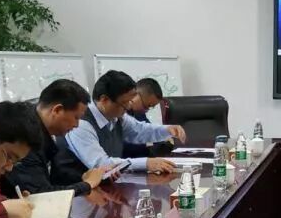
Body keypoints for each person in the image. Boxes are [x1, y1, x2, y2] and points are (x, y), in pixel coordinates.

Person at [55, 70, 186, 181]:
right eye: (125, 102)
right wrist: (146, 163)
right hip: (75, 193)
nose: (129, 107)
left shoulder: (116, 117)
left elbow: (139, 130)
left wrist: (168, 130)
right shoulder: (81, 124)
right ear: (104, 100)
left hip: (106, 186)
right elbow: (101, 164)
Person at [2, 79, 115, 198]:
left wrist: (84, 178)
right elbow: (41, 195)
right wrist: (87, 184)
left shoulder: (39, 127)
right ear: (57, 110)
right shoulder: (26, 135)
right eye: (76, 118)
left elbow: (49, 179)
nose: (76, 125)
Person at [123, 77, 168, 158]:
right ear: (135, 95)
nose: (146, 110)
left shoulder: (139, 114)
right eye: (147, 106)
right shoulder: (116, 113)